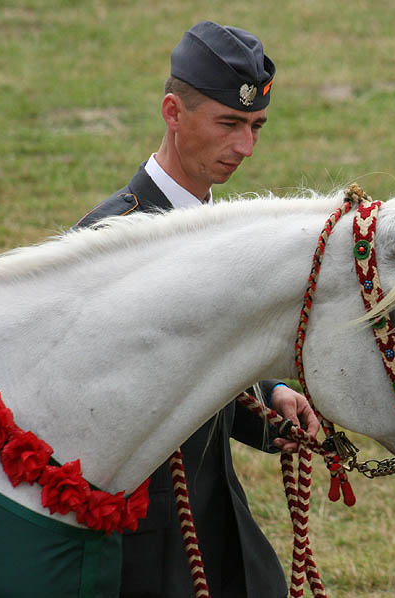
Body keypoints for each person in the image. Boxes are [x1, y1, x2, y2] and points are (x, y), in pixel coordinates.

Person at [75, 21, 319, 598]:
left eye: (256, 126)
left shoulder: (221, 234)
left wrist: (267, 397)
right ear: (173, 113)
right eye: (229, 124)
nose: (245, 148)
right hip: (141, 552)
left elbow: (206, 358)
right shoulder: (111, 241)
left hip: (221, 530)